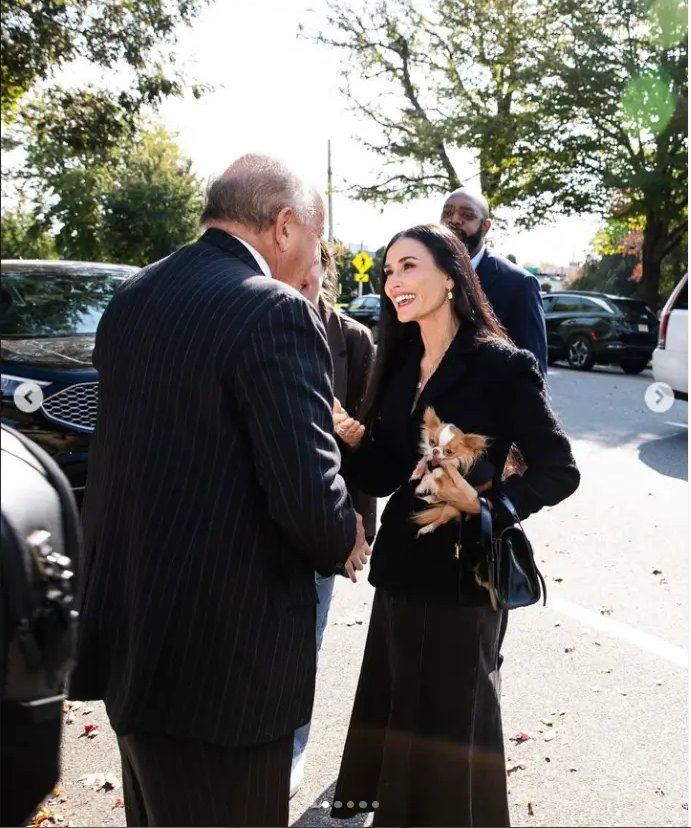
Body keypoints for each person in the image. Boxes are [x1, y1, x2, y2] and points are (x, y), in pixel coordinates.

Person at [67, 153, 372, 828]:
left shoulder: (134, 296)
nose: (314, 265)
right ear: (285, 226)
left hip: (137, 644)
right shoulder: (271, 310)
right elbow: (309, 500)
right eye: (317, 244)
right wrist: (345, 527)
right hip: (225, 672)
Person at [329, 224, 579, 827]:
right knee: (404, 721)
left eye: (408, 267)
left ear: (450, 275)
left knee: (454, 727)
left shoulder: (502, 366)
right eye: (388, 271)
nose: (393, 282)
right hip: (401, 573)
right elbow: (389, 473)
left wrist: (489, 508)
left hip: (467, 579)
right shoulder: (398, 365)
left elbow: (559, 470)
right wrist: (354, 443)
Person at [290, 241, 377, 797]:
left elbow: (368, 447)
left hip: (327, 515)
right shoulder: (254, 317)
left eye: (315, 262)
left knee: (306, 643)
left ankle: (291, 749)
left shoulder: (353, 340)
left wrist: (356, 525)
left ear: (326, 266)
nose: (304, 273)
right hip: (262, 516)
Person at [441, 188, 548, 376]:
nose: (455, 219)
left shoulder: (518, 284)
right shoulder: (423, 273)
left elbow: (533, 371)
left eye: (467, 215)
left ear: (485, 226)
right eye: (448, 212)